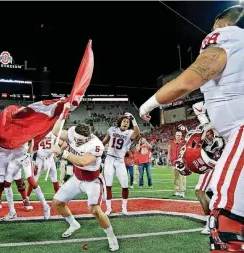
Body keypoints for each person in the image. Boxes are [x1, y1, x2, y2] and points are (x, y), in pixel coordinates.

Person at [139, 4, 244, 252]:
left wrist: (148, 105)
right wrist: (211, 125)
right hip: (234, 130)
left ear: (220, 22)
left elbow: (190, 79)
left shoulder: (225, 34)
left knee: (227, 219)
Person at [51, 103, 119, 252]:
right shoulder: (73, 133)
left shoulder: (96, 145)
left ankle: (111, 236)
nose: (76, 142)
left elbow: (83, 162)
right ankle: (74, 224)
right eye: (75, 139)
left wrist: (62, 153)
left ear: (88, 137)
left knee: (94, 210)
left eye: (80, 140)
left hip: (92, 180)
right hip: (77, 178)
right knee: (57, 203)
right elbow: (56, 131)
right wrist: (62, 114)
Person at [102, 113, 140, 215]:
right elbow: (104, 142)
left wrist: (134, 120)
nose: (126, 123)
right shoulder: (112, 129)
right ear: (120, 122)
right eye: (124, 121)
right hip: (109, 159)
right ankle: (108, 208)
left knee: (125, 185)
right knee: (108, 185)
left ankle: (124, 208)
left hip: (120, 161)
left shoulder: (129, 132)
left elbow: (137, 134)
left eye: (128, 122)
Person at [168, 131, 186, 198]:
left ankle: (182, 192)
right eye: (177, 135)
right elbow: (169, 152)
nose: (178, 136)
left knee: (182, 177)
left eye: (180, 135)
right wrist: (168, 161)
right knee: (175, 178)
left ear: (181, 136)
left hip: (181, 163)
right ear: (175, 136)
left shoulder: (184, 143)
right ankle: (177, 191)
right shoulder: (171, 143)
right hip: (173, 163)